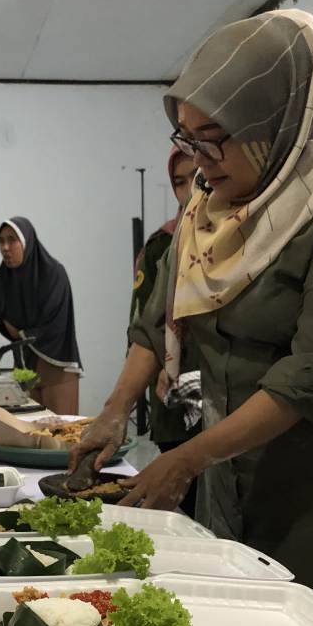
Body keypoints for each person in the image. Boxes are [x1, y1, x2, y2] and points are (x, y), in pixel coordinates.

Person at [71, 9, 313, 626]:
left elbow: (308, 377)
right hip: (229, 474)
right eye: (188, 140)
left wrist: (186, 459)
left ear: (277, 127)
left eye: (215, 139)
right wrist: (112, 412)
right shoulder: (209, 206)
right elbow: (159, 319)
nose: (200, 161)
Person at [129, 148, 200, 516]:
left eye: (197, 177)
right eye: (179, 182)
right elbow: (145, 326)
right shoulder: (163, 245)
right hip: (173, 400)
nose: (189, 190)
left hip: (226, 407)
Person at [0, 217, 82, 414]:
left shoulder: (52, 274)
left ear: (27, 241)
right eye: (1, 241)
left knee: (60, 431)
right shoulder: (0, 281)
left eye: (12, 240)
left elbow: (54, 325)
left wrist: (18, 332)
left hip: (57, 366)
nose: (5, 247)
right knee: (27, 429)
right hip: (25, 368)